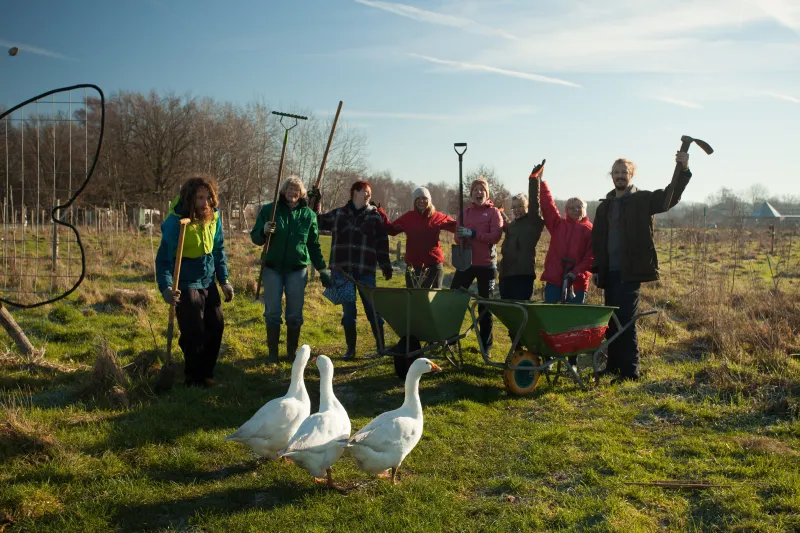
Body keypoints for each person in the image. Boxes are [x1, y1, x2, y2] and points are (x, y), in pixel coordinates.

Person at [591, 151, 692, 382]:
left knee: (626, 321)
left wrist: (683, 170)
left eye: (623, 172)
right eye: (616, 172)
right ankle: (614, 366)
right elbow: (597, 240)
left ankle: (630, 371)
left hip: (630, 271)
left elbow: (669, 197)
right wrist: (597, 269)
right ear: (611, 176)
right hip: (609, 272)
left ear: (631, 174)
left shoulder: (642, 200)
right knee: (612, 322)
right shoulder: (604, 206)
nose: (619, 176)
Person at [156, 175, 233, 388]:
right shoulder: (175, 224)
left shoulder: (213, 218)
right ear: (190, 199)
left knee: (216, 326)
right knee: (194, 331)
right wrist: (166, 287)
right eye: (200, 198)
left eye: (208, 198)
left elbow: (218, 250)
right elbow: (163, 260)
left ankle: (206, 372)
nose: (206, 203)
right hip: (186, 282)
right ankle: (195, 378)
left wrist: (224, 280)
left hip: (208, 280)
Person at [250, 175, 330, 364]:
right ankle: (272, 354)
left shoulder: (308, 215)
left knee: (294, 314)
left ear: (301, 193)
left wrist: (322, 268)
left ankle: (291, 353)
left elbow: (313, 244)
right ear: (283, 191)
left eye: (296, 190)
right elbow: (256, 238)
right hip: (272, 269)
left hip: (297, 269)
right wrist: (264, 230)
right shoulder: (270, 211)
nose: (292, 192)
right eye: (289, 189)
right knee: (272, 313)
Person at [314, 181, 393, 360]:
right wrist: (315, 202)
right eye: (365, 191)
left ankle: (381, 348)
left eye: (369, 193)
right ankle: (351, 350)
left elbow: (382, 243)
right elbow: (318, 220)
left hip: (365, 270)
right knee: (349, 313)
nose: (368, 195)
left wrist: (386, 265)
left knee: (373, 310)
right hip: (343, 272)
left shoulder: (374, 217)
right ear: (355, 192)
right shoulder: (339, 214)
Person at [450, 177, 504, 353]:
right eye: (476, 190)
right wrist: (461, 236)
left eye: (482, 190)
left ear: (487, 194)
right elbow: (457, 237)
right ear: (471, 193)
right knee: (453, 299)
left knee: (484, 306)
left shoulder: (494, 212)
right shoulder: (464, 213)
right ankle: (449, 338)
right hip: (466, 263)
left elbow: (495, 236)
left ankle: (485, 345)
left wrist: (472, 233)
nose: (479, 193)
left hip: (487, 266)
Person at [381, 187, 457, 289]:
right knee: (414, 299)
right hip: (413, 266)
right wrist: (381, 213)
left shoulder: (437, 216)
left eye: (424, 198)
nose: (421, 201)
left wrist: (465, 224)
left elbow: (455, 226)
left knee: (433, 299)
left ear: (429, 200)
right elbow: (391, 230)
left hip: (434, 265)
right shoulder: (408, 217)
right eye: (418, 198)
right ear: (414, 201)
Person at [539, 179, 593, 304]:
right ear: (566, 210)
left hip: (577, 282)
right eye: (571, 208)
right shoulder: (558, 225)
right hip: (554, 279)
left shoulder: (589, 230)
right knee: (551, 313)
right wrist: (542, 183)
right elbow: (548, 206)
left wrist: (576, 272)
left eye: (579, 207)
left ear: (584, 209)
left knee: (572, 318)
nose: (575, 210)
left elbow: (591, 257)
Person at [498, 161, 545, 301]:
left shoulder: (533, 222)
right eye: (514, 207)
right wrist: (499, 212)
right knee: (508, 312)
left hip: (523, 275)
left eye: (520, 206)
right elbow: (506, 224)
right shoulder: (512, 226)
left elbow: (535, 202)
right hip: (506, 276)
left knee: (521, 310)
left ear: (526, 206)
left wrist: (533, 179)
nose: (516, 209)